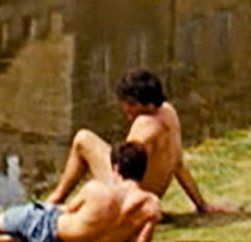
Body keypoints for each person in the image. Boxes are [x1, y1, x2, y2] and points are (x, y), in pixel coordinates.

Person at [44, 68, 237, 217]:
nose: (126, 109)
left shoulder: (144, 125)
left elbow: (125, 169)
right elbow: (178, 165)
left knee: (82, 139)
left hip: (134, 194)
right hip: (152, 194)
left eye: (131, 105)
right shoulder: (170, 113)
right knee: (97, 146)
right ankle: (57, 201)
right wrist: (201, 204)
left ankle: (54, 201)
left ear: (145, 103)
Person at [0, 140, 162, 242]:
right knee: (13, 241)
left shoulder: (96, 190)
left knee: (0, 221)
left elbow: (69, 210)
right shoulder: (151, 207)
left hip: (51, 230)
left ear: (116, 167)